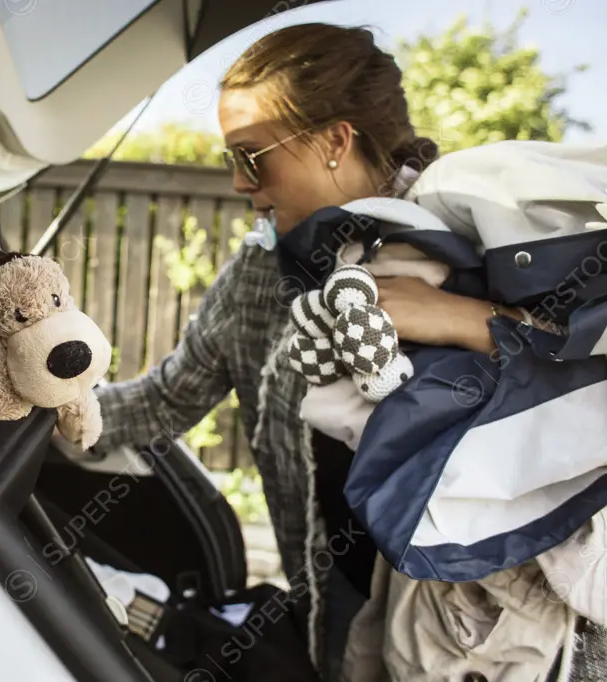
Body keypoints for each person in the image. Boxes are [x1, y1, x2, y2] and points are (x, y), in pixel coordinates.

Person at [90, 22, 592, 682]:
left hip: (503, 636)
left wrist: (470, 319)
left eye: (251, 156)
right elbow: (164, 402)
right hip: (336, 608)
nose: (240, 184)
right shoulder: (258, 278)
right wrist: (42, 403)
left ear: (334, 140)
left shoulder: (483, 225)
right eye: (230, 161)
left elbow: (587, 384)